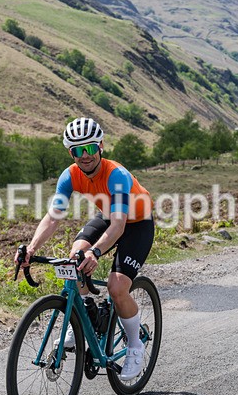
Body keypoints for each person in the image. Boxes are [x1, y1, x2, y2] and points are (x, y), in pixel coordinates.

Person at [18, 117, 155, 381]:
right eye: (77, 151)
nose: (85, 156)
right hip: (109, 214)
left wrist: (96, 252)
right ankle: (86, 315)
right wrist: (31, 249)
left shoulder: (116, 175)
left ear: (101, 146)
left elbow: (118, 226)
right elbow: (53, 216)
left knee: (117, 288)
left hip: (136, 224)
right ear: (71, 153)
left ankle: (135, 345)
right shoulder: (69, 175)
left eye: (90, 148)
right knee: (73, 259)